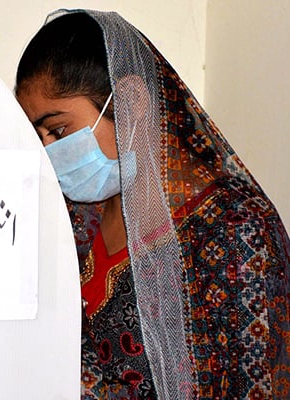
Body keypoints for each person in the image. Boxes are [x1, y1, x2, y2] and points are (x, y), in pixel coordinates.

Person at [15, 9, 290, 400]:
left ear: (130, 102)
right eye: (38, 135)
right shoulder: (74, 218)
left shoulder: (238, 233)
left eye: (58, 130)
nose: (49, 152)